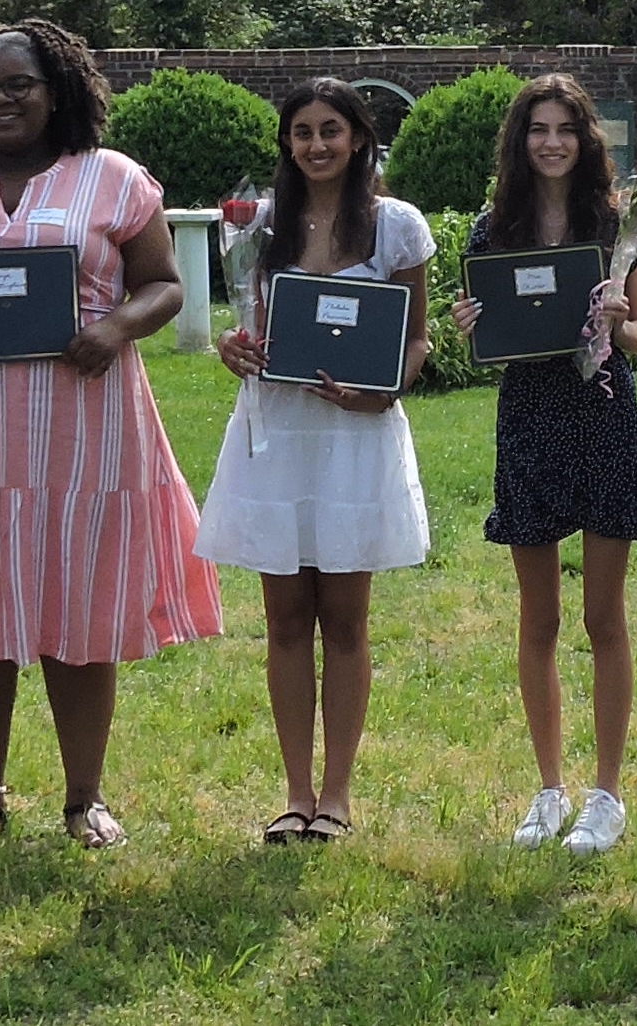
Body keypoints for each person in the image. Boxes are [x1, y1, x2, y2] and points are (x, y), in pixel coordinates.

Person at [0, 19, 216, 851]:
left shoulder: (113, 179)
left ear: (57, 91)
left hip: (83, 423)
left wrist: (116, 327)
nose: (3, 99)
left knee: (82, 612)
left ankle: (84, 798)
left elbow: (162, 284)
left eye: (20, 84)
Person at [205, 78, 436, 844]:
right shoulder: (260, 225)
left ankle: (336, 796)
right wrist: (231, 346)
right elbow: (245, 324)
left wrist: (385, 391)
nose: (316, 145)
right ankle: (293, 793)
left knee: (344, 619)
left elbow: (417, 340)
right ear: (287, 144)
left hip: (354, 440)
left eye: (331, 130)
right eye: (301, 132)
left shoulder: (398, 227)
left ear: (360, 139)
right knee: (282, 620)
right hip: (277, 435)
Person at [452, 73, 637, 854]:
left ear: (585, 141)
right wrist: (471, 325)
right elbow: (486, 352)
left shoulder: (618, 225)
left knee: (602, 618)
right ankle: (549, 790)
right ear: (521, 141)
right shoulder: (492, 228)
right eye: (538, 129)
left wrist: (621, 319)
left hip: (604, 417)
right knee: (537, 619)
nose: (551, 141)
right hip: (531, 422)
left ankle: (606, 795)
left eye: (565, 129)